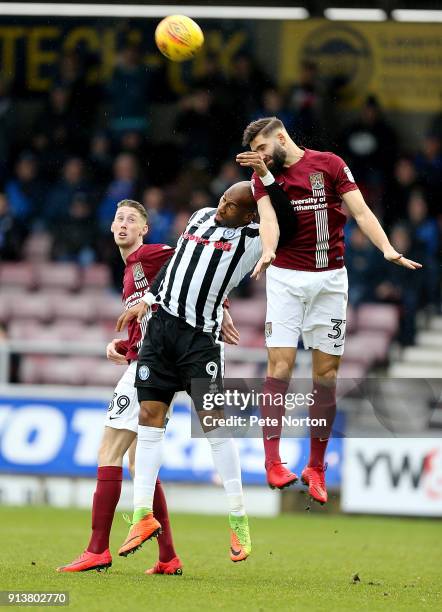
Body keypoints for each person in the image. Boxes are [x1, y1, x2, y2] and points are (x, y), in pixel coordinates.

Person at [237, 116, 422, 504]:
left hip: (330, 281)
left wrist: (386, 247)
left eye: (262, 150)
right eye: (254, 153)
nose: (259, 158)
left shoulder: (330, 165)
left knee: (326, 374)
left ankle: (316, 467)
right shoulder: (262, 178)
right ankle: (273, 461)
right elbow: (269, 219)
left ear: (281, 138)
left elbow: (362, 212)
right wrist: (268, 250)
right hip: (286, 279)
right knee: (280, 367)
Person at [115, 180, 296, 563]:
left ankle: (238, 517)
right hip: (161, 331)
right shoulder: (199, 218)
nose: (220, 208)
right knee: (150, 417)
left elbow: (282, 211)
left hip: (200, 342)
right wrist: (146, 300)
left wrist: (264, 177)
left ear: (249, 214)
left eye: (230, 206)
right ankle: (143, 515)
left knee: (214, 424)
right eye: (221, 200)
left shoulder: (254, 237)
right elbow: (174, 267)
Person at [57, 199, 181, 575]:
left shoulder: (152, 253)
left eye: (132, 219)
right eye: (118, 218)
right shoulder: (129, 270)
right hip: (154, 362)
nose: (123, 224)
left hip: (154, 367)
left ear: (144, 229)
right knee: (137, 462)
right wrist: (124, 346)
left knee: (108, 450)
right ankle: (167, 557)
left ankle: (97, 550)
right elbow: (153, 316)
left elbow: (189, 264)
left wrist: (218, 305)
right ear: (111, 228)